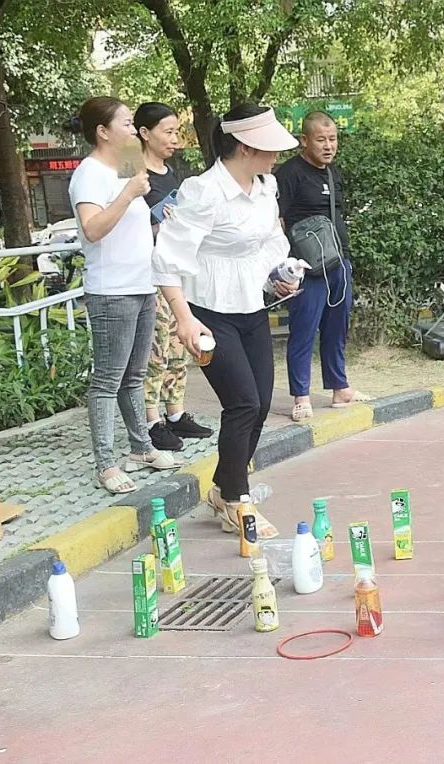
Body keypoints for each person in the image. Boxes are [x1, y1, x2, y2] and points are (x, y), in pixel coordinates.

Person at [153, 104, 299, 537]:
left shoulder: (266, 186)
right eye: (269, 148)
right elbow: (167, 259)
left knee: (260, 406)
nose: (276, 156)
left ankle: (223, 488)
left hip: (251, 306)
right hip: (207, 312)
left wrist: (280, 275)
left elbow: (271, 241)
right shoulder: (203, 191)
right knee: (243, 404)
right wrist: (184, 319)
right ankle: (237, 499)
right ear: (244, 147)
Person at [68, 96, 179, 495]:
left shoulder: (129, 164)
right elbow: (93, 229)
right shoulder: (89, 174)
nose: (134, 130)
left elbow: (137, 222)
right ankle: (105, 464)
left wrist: (163, 218)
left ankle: (142, 448)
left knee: (135, 375)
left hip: (142, 282)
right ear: (103, 131)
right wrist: (129, 193)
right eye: (127, 123)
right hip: (111, 290)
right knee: (107, 381)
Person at [274, 111, 368, 422]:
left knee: (336, 327)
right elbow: (277, 220)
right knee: (303, 331)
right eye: (321, 140)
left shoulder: (332, 172)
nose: (328, 146)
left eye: (333, 139)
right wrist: (285, 265)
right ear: (304, 140)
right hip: (306, 269)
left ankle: (340, 388)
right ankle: (301, 396)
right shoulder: (289, 173)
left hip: (338, 262)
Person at [134, 101, 213, 451]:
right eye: (167, 132)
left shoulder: (171, 172)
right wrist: (156, 226)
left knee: (179, 345)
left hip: (176, 271)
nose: (174, 139)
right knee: (156, 349)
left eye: (176, 131)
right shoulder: (133, 173)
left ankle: (176, 413)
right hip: (148, 275)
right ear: (144, 133)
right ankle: (151, 420)